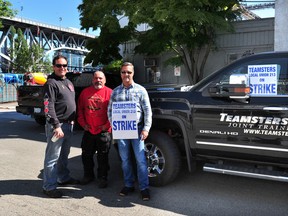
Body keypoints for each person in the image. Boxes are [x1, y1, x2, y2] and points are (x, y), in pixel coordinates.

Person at [107, 62, 152, 201]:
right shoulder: (115, 92)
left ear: (133, 73)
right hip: (121, 130)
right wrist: (114, 124)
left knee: (141, 160)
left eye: (129, 72)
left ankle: (144, 188)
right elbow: (110, 110)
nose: (126, 75)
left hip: (137, 130)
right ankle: (128, 184)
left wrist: (146, 128)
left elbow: (147, 111)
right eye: (123, 72)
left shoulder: (141, 90)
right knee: (125, 160)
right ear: (120, 73)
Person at [42, 55, 79, 198]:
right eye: (59, 65)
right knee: (52, 157)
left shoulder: (68, 82)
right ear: (53, 67)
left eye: (64, 65)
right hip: (57, 126)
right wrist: (56, 125)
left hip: (68, 125)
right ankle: (49, 187)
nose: (62, 68)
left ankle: (63, 177)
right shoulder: (51, 83)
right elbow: (48, 106)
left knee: (64, 155)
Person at [77, 71, 112, 188]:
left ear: (105, 80)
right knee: (86, 155)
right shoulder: (85, 93)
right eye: (96, 78)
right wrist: (83, 124)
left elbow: (114, 113)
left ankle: (102, 177)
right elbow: (80, 109)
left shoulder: (110, 93)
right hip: (89, 130)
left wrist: (107, 125)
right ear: (92, 80)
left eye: (101, 78)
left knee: (103, 157)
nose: (98, 80)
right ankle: (88, 175)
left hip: (104, 132)